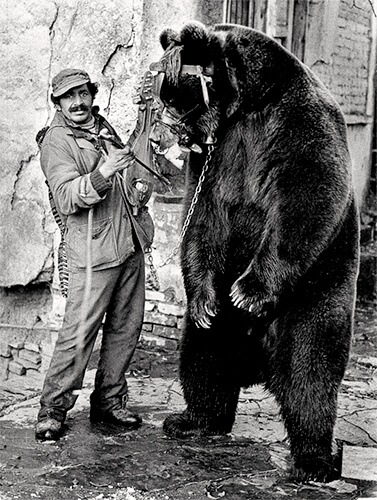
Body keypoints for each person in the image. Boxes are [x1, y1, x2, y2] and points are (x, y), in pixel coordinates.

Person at [35, 68, 153, 441]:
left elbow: (125, 175)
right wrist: (103, 172)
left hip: (128, 244)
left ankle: (109, 401)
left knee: (125, 328)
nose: (78, 102)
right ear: (57, 103)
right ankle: (52, 408)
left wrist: (133, 182)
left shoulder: (100, 127)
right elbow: (68, 198)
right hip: (92, 249)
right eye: (69, 97)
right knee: (79, 333)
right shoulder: (57, 141)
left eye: (83, 93)